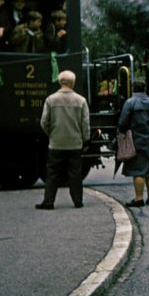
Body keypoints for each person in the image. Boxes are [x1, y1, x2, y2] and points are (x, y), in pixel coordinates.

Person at [36, 70, 90, 210]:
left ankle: (48, 201)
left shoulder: (51, 99)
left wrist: (52, 134)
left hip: (56, 143)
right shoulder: (81, 100)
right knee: (75, 173)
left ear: (60, 82)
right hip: (75, 143)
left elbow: (44, 122)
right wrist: (85, 140)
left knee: (52, 173)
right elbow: (85, 124)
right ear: (73, 82)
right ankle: (78, 201)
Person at [119, 78, 149, 207]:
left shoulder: (130, 103)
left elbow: (123, 122)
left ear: (133, 89)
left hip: (136, 140)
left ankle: (138, 199)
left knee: (138, 170)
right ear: (145, 89)